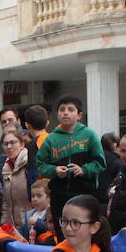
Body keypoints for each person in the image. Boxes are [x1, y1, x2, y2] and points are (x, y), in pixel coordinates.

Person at [36, 95, 106, 236]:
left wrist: (84, 170)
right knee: (64, 234)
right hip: (59, 197)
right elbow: (40, 165)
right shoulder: (51, 139)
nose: (66, 112)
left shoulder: (89, 135)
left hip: (85, 195)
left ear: (79, 115)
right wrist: (54, 170)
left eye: (70, 109)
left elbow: (100, 163)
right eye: (62, 109)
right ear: (57, 114)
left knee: (85, 234)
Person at [0, 128, 32, 226]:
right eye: (5, 144)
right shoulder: (6, 168)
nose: (9, 147)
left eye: (12, 142)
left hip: (30, 226)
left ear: (22, 145)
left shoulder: (30, 164)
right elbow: (5, 203)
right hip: (12, 228)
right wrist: (4, 223)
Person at [23, 180, 54, 244]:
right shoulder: (29, 214)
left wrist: (37, 223)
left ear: (49, 197)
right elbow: (24, 231)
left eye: (39, 196)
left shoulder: (51, 214)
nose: (35, 199)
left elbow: (50, 231)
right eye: (33, 196)